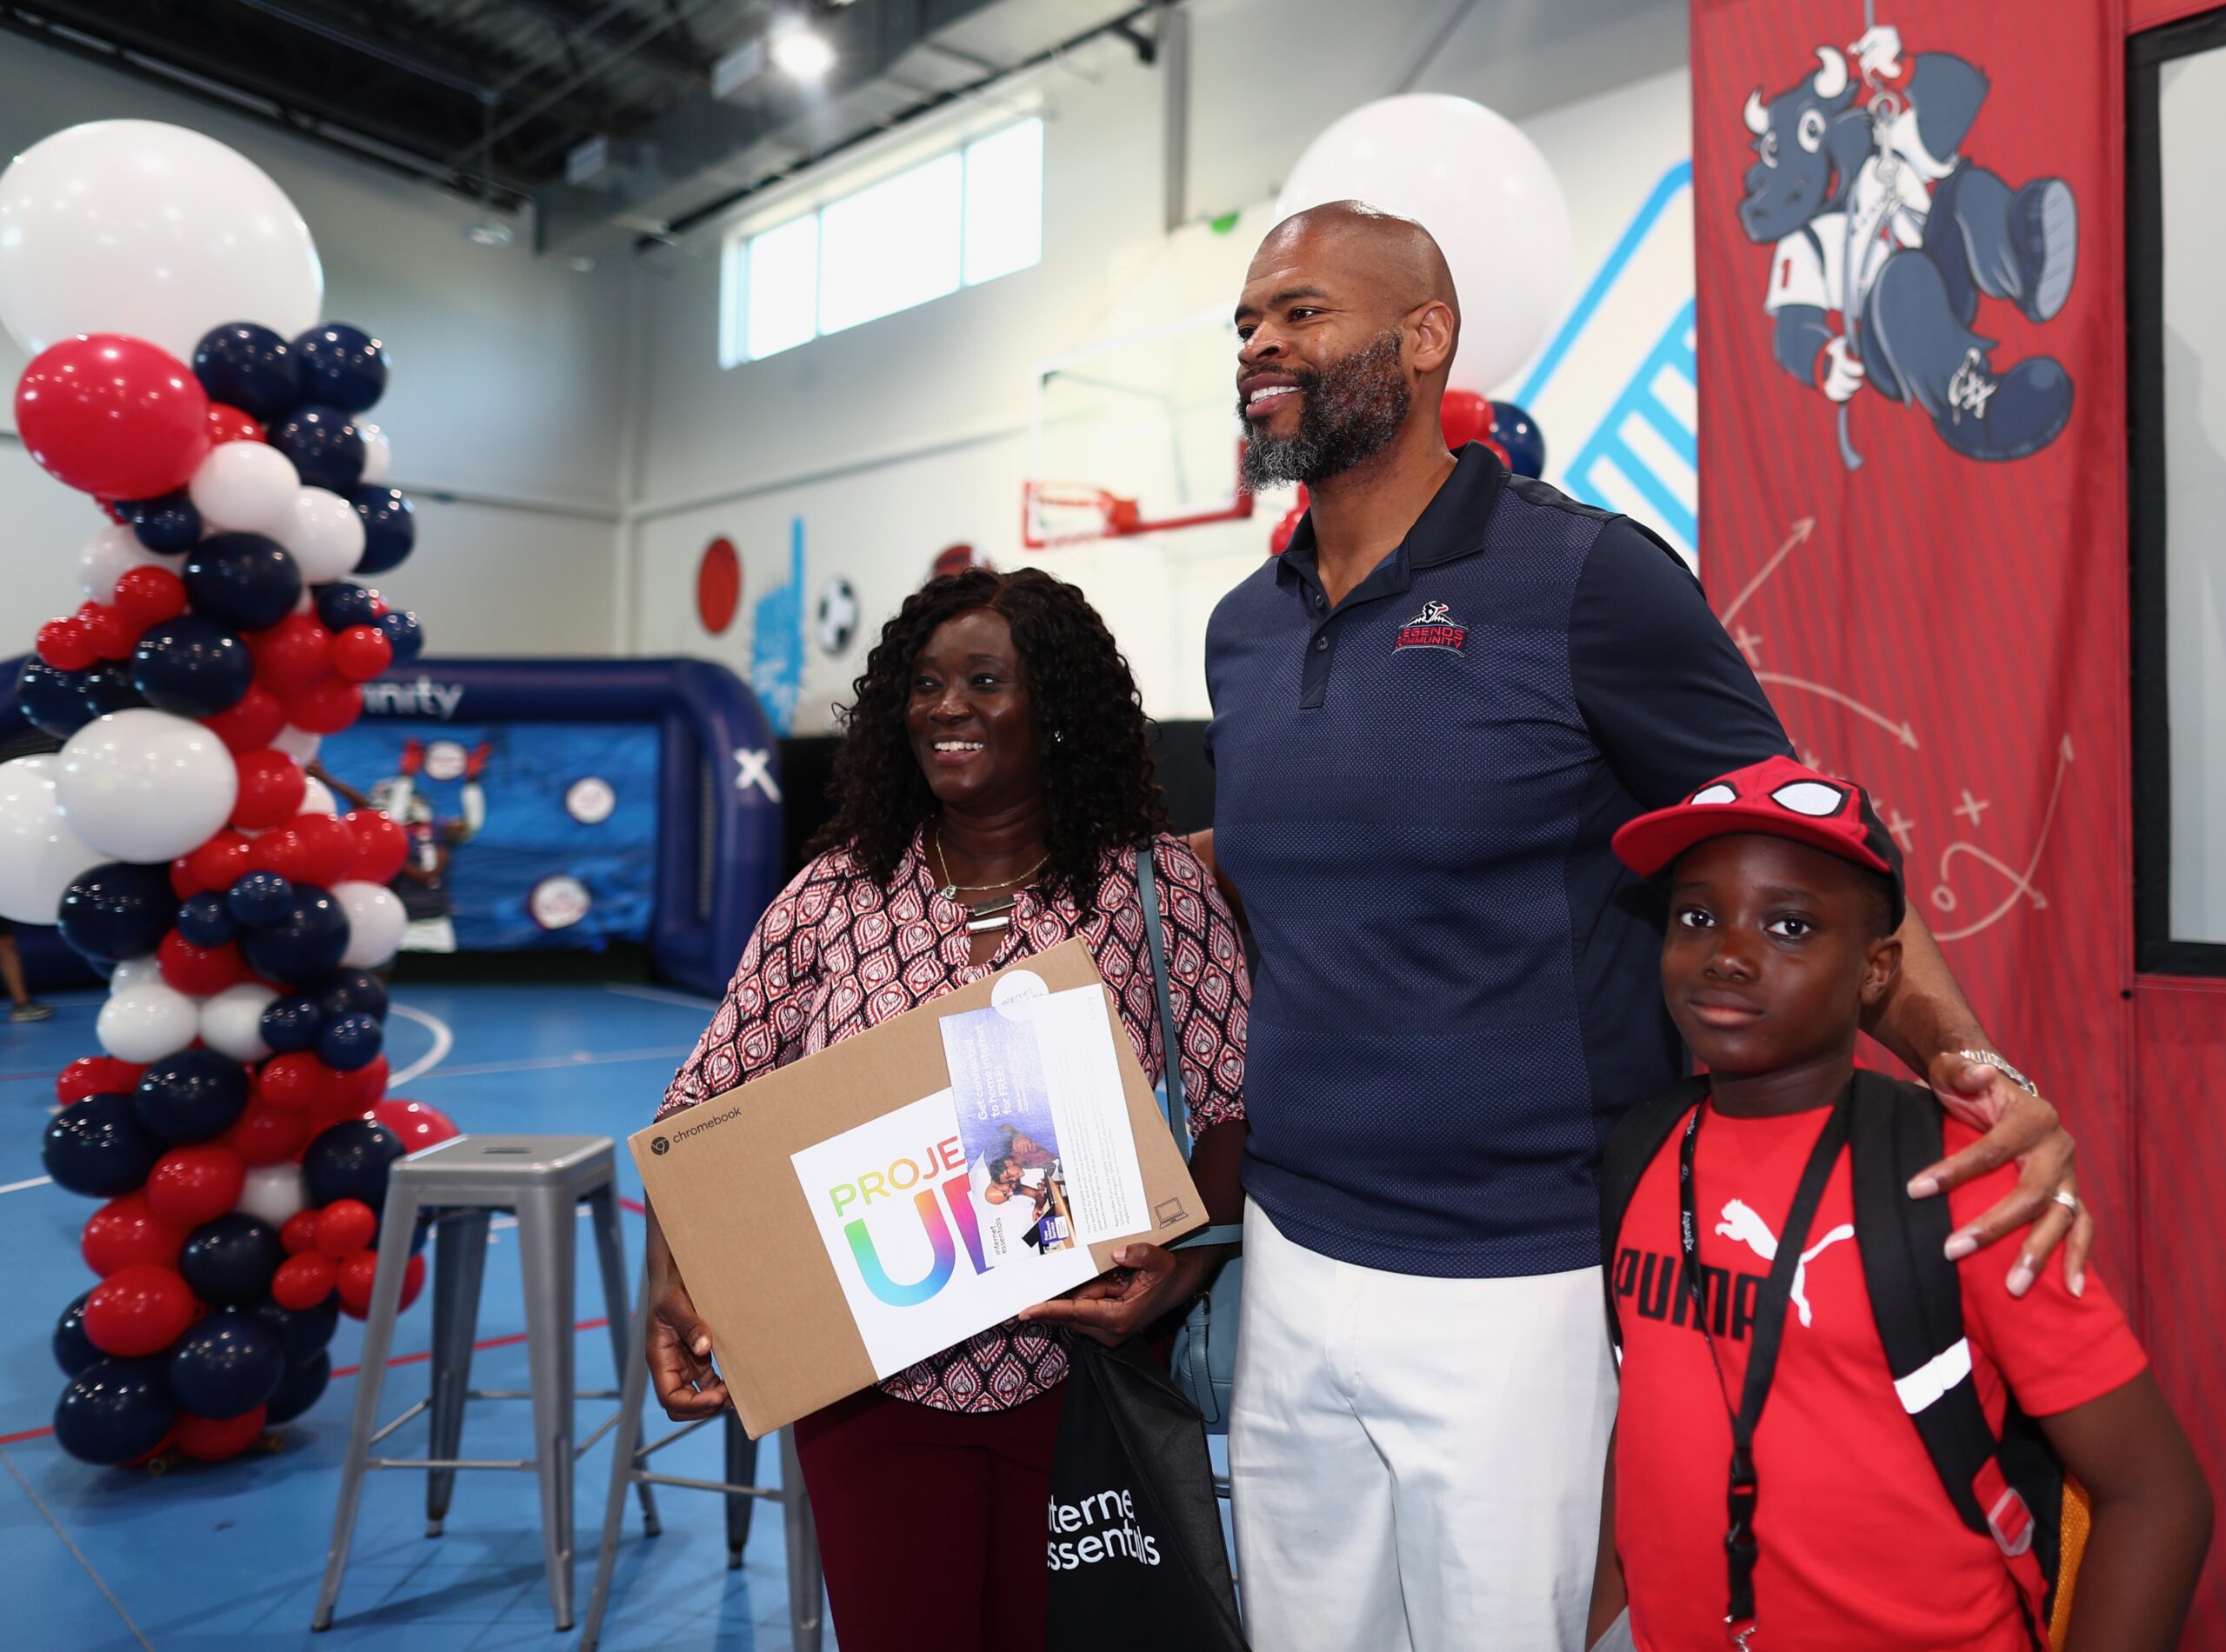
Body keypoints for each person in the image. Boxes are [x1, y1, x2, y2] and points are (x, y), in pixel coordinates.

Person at [1196, 200, 2089, 1650]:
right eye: (1245, 321)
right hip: (1290, 1260)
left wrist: (1974, 1070)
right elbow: (1285, 854)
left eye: (1302, 313)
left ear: (1426, 340)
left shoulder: (1586, 580)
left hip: (1522, 1281)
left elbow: (1813, 854)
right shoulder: (1247, 627)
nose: (1259, 346)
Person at [648, 568, 1250, 1652]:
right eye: (925, 684)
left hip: (1082, 1376)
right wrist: (673, 1280)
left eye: (984, 680)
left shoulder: (1149, 887)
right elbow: (702, 1105)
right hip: (869, 1391)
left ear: (1056, 709)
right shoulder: (832, 895)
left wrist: (1183, 1271)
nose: (946, 707)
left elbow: (1233, 1109)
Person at [1585, 757, 2209, 1650]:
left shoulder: (1960, 1179)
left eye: (1790, 925)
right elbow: (1647, 1420)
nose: (1727, 951)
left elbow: (2157, 1495)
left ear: (1878, 971)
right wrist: (1607, 1622)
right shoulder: (1645, 1149)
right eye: (1696, 915)